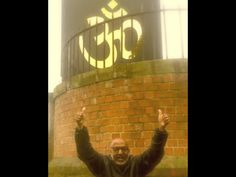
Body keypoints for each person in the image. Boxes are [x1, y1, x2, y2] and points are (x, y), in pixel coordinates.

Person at [74, 107, 169, 177]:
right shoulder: (103, 163)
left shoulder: (136, 164)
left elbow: (154, 153)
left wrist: (161, 129)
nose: (120, 152)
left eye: (124, 149)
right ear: (111, 151)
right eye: (116, 149)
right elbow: (85, 152)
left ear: (128, 151)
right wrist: (80, 128)